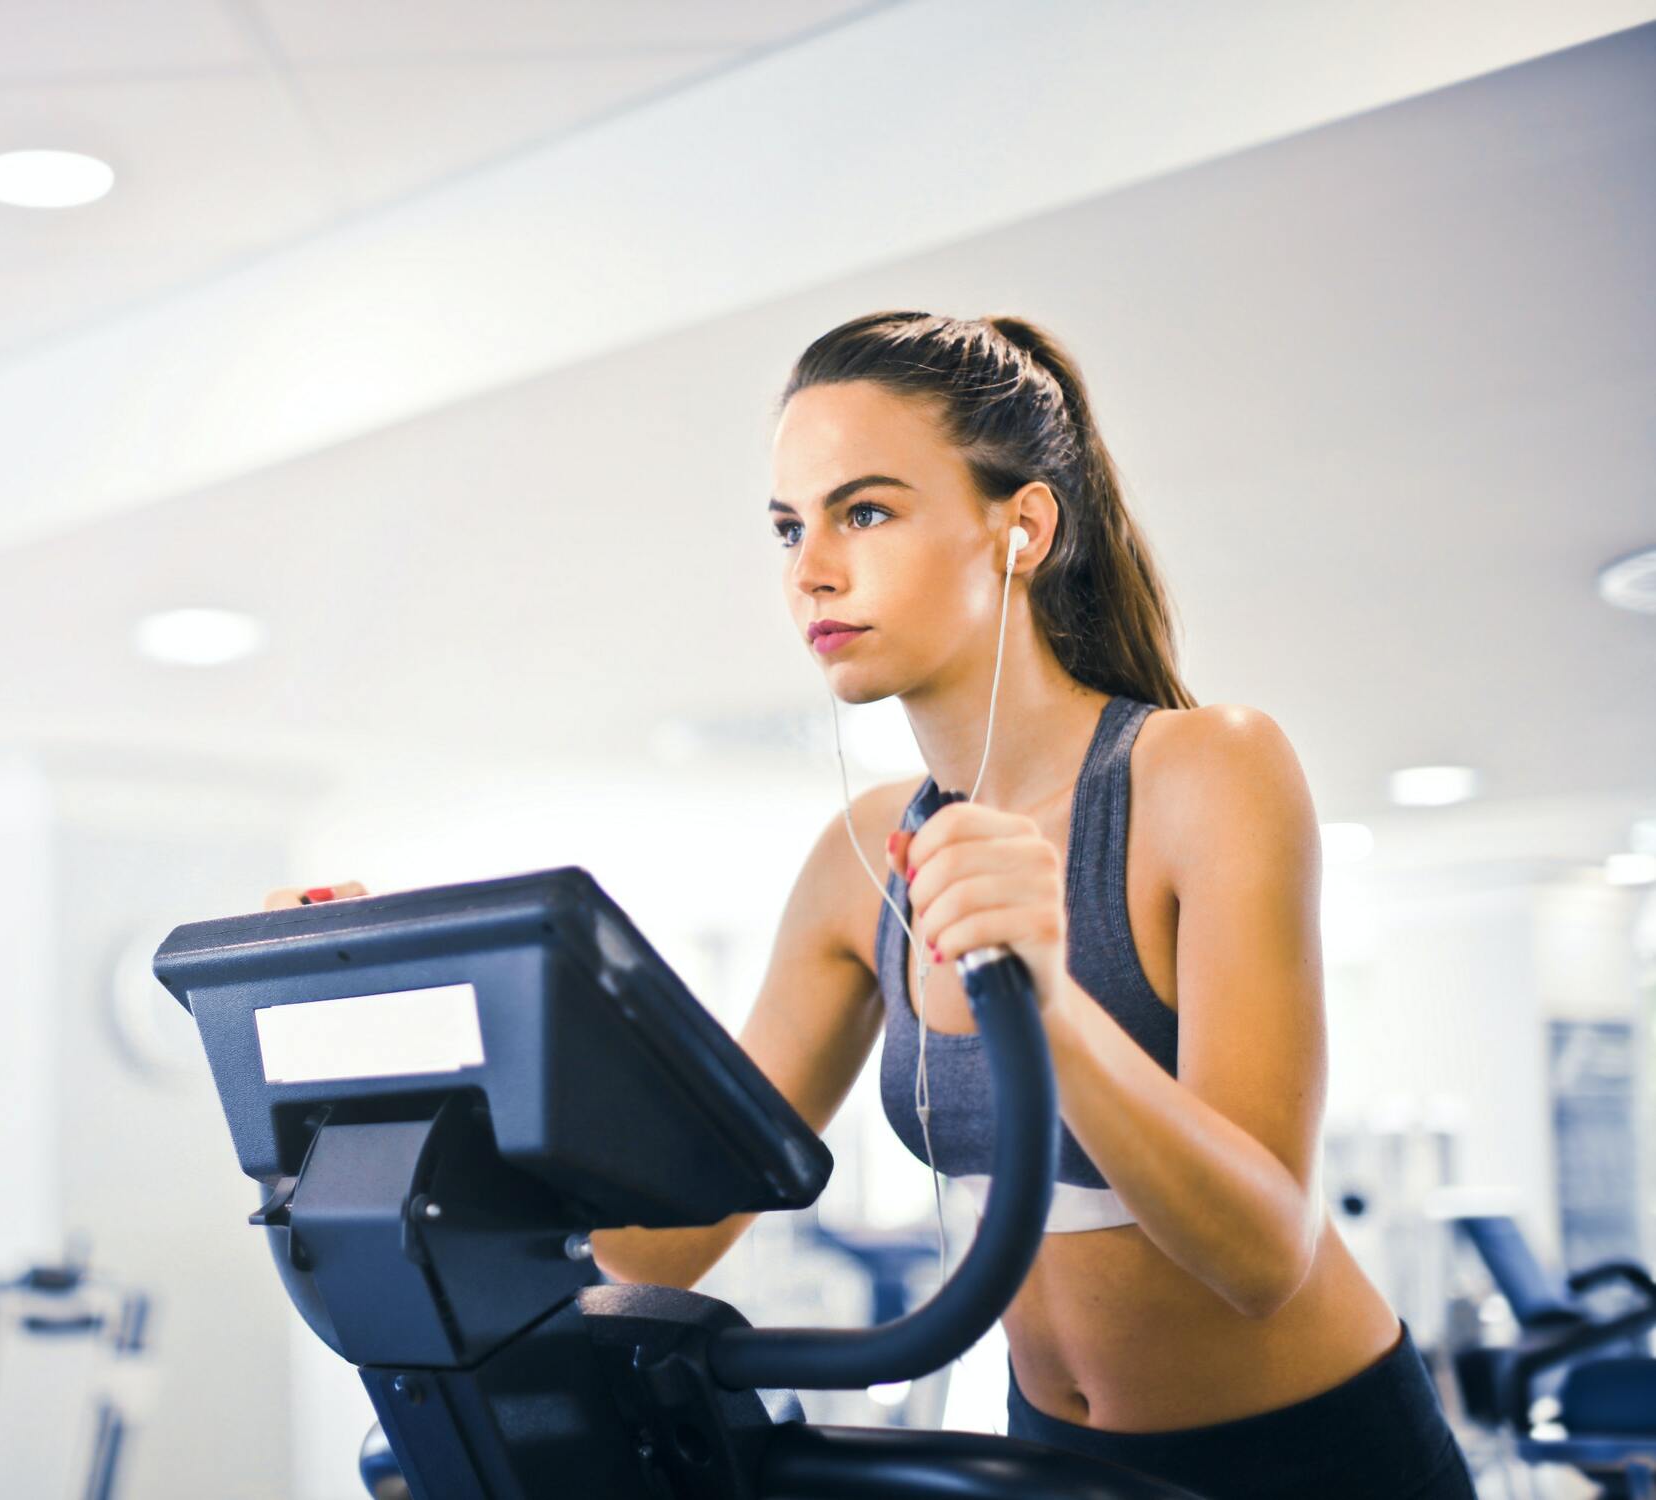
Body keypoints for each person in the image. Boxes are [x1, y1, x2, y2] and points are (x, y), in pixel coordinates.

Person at [268, 311, 1478, 1500]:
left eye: (866, 510)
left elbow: (1266, 1256)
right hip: (1052, 1460)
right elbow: (673, 1235)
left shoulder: (1202, 771)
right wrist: (375, 1086)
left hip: (1317, 1452)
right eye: (790, 526)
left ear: (1022, 528)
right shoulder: (861, 862)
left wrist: (1046, 998)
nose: (811, 568)